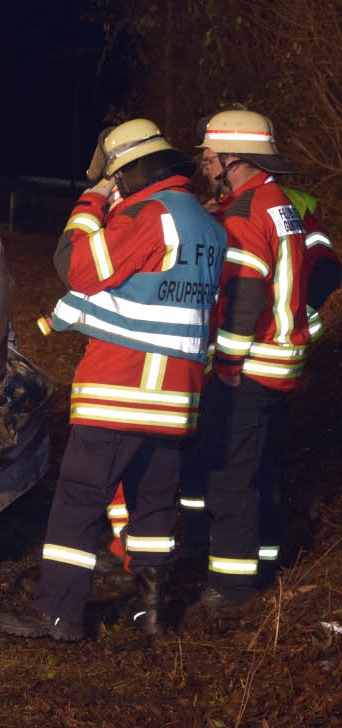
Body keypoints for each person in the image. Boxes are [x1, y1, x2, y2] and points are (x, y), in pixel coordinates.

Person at [0, 119, 226, 641]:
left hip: (122, 387)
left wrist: (91, 201)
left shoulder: (151, 215)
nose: (117, 186)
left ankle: (57, 613)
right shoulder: (209, 226)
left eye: (119, 177)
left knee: (79, 498)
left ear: (136, 168)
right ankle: (153, 611)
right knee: (154, 502)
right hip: (176, 394)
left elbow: (77, 266)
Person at [191, 109, 314, 608]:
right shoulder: (275, 201)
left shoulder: (246, 214)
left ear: (231, 157)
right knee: (259, 467)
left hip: (251, 365)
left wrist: (226, 368)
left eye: (208, 154)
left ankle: (231, 586)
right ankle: (262, 560)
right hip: (280, 361)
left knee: (230, 475)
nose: (203, 161)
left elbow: (243, 297)